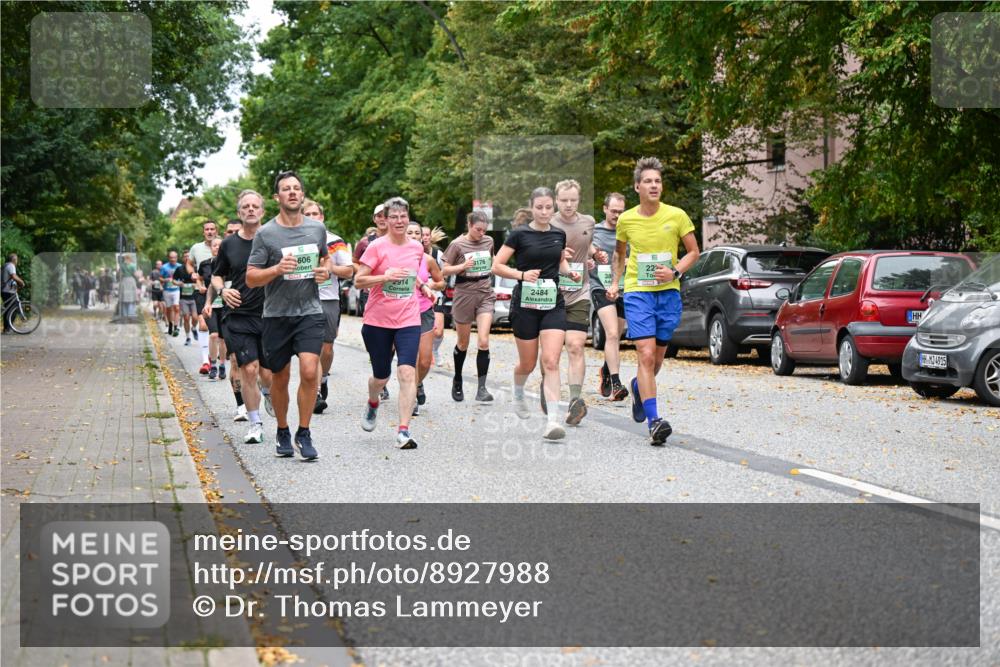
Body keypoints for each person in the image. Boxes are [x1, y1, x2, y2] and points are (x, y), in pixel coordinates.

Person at [606, 157, 700, 446]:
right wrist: (615, 282)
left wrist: (675, 271)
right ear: (637, 187)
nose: (654, 185)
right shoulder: (626, 219)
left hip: (668, 294)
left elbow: (693, 252)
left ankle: (638, 386)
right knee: (645, 356)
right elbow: (620, 254)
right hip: (638, 292)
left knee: (656, 361)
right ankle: (654, 421)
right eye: (648, 181)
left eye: (657, 181)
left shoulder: (677, 215)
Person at [246, 171, 331, 462]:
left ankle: (303, 432)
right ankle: (283, 429)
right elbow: (251, 278)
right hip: (276, 315)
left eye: (296, 188)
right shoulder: (266, 234)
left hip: (310, 311)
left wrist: (325, 271)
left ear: (302, 194)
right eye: (286, 189)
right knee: (279, 378)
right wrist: (276, 269)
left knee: (309, 371)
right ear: (277, 197)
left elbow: (325, 258)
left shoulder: (317, 229)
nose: (292, 192)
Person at [491, 187, 580, 441]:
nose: (544, 212)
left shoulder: (558, 234)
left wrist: (569, 272)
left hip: (552, 302)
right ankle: (518, 391)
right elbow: (496, 266)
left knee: (551, 361)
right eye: (539, 207)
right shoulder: (519, 234)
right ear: (532, 207)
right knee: (528, 363)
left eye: (548, 207)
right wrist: (521, 275)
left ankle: (552, 421)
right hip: (526, 305)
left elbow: (559, 261)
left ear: (553, 208)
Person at [354, 197, 424, 449]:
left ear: (408, 218)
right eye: (393, 217)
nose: (399, 221)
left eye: (403, 216)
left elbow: (411, 275)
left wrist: (423, 286)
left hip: (408, 318)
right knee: (381, 376)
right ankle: (373, 401)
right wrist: (384, 276)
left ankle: (403, 431)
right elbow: (358, 281)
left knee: (407, 372)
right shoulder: (376, 247)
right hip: (378, 320)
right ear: (385, 220)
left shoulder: (417, 248)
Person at [212, 190, 273, 444]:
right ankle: (255, 424)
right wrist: (223, 290)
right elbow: (217, 275)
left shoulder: (273, 238)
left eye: (255, 206)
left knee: (267, 374)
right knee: (249, 369)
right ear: (239, 213)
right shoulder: (229, 244)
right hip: (238, 314)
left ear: (262, 211)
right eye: (245, 206)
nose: (250, 209)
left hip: (270, 314)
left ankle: (267, 392)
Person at [549, 179, 605, 425]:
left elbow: (588, 244)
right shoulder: (548, 223)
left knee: (575, 346)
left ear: (579, 200)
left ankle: (574, 401)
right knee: (551, 354)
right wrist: (558, 255)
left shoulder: (588, 222)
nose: (569, 204)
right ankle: (548, 387)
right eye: (564, 200)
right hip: (551, 293)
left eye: (573, 200)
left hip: (579, 292)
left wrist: (595, 254)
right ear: (556, 200)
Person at [301, 199, 355, 414]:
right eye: (307, 214)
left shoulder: (335, 241)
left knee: (326, 348)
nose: (312, 218)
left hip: (328, 299)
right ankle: (315, 393)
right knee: (310, 349)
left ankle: (322, 378)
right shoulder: (295, 240)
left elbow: (349, 271)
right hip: (303, 300)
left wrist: (330, 268)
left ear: (322, 217)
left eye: (315, 214)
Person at [441, 211, 496, 403]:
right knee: (463, 343)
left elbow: (493, 260)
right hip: (464, 293)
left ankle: (482, 388)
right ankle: (457, 379)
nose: (481, 233)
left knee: (483, 341)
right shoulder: (457, 244)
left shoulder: (489, 241)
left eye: (484, 230)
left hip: (485, 292)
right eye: (478, 229)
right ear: (469, 225)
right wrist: (462, 266)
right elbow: (444, 270)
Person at [590, 193, 630, 401]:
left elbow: (635, 255)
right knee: (612, 333)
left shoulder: (629, 231)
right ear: (605, 209)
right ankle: (616, 384)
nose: (617, 215)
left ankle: (606, 370)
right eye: (613, 211)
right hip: (600, 287)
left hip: (623, 287)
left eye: (621, 212)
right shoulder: (593, 231)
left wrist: (630, 261)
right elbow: (580, 250)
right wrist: (591, 257)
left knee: (617, 336)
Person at [406, 221, 445, 415]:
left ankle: (418, 382)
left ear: (422, 237)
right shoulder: (396, 257)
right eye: (410, 232)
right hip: (403, 312)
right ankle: (411, 395)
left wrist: (430, 284)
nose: (413, 236)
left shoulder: (428, 260)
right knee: (410, 358)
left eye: (417, 233)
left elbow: (441, 282)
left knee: (424, 361)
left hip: (424, 311)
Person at [189, 220, 218, 373]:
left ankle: (216, 355)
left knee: (217, 329)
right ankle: (206, 361)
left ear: (216, 231)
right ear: (203, 232)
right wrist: (193, 275)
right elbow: (189, 263)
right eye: (207, 229)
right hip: (201, 290)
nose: (209, 231)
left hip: (220, 291)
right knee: (203, 324)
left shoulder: (223, 245)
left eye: (212, 229)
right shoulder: (196, 248)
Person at [198, 237, 227, 379]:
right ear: (211, 248)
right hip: (211, 305)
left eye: (220, 245)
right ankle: (213, 365)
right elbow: (199, 278)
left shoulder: (228, 263)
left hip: (225, 304)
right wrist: (200, 286)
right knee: (213, 334)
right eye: (214, 245)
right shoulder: (204, 264)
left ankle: (222, 365)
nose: (217, 247)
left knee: (223, 338)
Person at [422, 226, 449, 368]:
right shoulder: (411, 252)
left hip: (435, 294)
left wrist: (435, 283)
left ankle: (435, 350)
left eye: (427, 235)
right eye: (422, 235)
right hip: (418, 295)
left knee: (438, 332)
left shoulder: (438, 254)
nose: (425, 237)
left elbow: (445, 274)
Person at [174, 250, 198, 345]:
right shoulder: (179, 269)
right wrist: (178, 283)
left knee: (195, 317)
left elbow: (202, 280)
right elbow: (173, 280)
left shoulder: (196, 268)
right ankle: (188, 338)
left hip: (195, 297)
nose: (187, 258)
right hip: (183, 298)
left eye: (189, 256)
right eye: (185, 256)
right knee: (186, 318)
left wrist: (196, 284)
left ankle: (194, 328)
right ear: (182, 258)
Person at [2, 253, 25, 332]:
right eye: (17, 259)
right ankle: (8, 328)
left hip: (5, 290)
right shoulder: (11, 266)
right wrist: (21, 282)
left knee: (8, 309)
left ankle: (6, 328)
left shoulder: (5, 265)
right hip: (8, 291)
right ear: (14, 260)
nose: (17, 261)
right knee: (13, 309)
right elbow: (13, 276)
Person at [161, 251, 182, 336]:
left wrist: (181, 282)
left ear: (177, 258)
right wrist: (165, 280)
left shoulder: (180, 266)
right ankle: (170, 324)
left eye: (174, 257)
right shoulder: (164, 267)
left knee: (176, 307)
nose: (173, 259)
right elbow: (160, 278)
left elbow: (183, 277)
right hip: (167, 290)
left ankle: (176, 327)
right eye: (171, 257)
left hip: (176, 290)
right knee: (169, 309)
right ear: (168, 258)